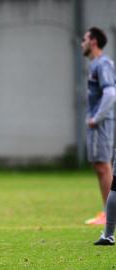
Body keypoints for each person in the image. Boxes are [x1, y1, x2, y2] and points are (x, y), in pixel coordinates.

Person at [81, 27, 116, 226]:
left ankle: (110, 214)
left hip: (101, 124)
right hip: (98, 124)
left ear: (93, 41)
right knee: (100, 166)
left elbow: (111, 93)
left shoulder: (103, 63)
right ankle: (108, 212)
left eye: (85, 39)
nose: (82, 43)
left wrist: (96, 117)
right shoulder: (96, 64)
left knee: (103, 166)